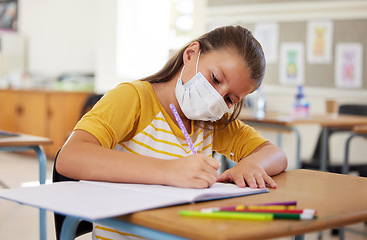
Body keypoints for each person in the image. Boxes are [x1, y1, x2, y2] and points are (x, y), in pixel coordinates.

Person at [56, 25, 287, 239]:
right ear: (191, 54)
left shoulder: (212, 122)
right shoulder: (134, 98)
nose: (217, 96)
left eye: (230, 99)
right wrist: (169, 171)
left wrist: (252, 165)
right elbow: (71, 157)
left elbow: (275, 154)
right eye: (215, 78)